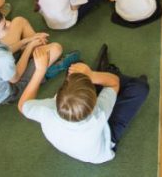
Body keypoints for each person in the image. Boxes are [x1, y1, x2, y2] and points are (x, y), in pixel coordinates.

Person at [19, 44, 150, 164]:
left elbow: (23, 105)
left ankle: (102, 74)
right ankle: (105, 72)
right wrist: (91, 75)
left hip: (74, 143)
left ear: (58, 95)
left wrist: (40, 70)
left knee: (76, 66)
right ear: (94, 101)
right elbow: (114, 82)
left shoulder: (45, 110)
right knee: (140, 88)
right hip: (102, 147)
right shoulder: (99, 114)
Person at [0, 10, 76, 105]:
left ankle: (40, 55)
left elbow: (5, 49)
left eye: (5, 21)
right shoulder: (3, 59)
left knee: (19, 21)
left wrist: (27, 40)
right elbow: (15, 78)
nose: (9, 24)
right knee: (57, 48)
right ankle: (46, 72)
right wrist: (29, 47)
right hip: (8, 92)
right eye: (4, 27)